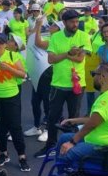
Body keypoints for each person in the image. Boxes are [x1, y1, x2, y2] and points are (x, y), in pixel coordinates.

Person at [46, 63, 108, 176]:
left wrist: (73, 142)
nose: (92, 78)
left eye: (93, 75)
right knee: (63, 139)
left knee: (67, 151)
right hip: (99, 140)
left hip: (107, 146)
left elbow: (93, 123)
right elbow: (96, 118)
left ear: (102, 77)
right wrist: (74, 120)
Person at [34, 10, 92, 158]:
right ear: (64, 23)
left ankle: (71, 146)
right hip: (58, 84)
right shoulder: (56, 37)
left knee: (73, 117)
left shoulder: (84, 36)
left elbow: (80, 59)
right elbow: (50, 59)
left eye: (76, 21)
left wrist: (67, 55)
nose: (75, 24)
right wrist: (68, 53)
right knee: (53, 117)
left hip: (76, 85)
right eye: (72, 21)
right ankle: (50, 146)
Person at [0, 33, 30, 172]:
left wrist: (9, 68)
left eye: (1, 42)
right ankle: (3, 153)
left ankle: (22, 157)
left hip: (10, 96)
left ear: (6, 44)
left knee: (15, 126)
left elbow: (23, 74)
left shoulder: (12, 56)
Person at [24, 18, 61, 138]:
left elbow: (37, 43)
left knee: (47, 104)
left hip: (48, 75)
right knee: (35, 102)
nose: (51, 26)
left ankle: (48, 129)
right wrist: (37, 26)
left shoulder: (55, 41)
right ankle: (36, 127)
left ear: (58, 30)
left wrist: (39, 25)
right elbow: (31, 36)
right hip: (38, 75)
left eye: (54, 25)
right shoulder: (48, 37)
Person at [85, 16, 108, 114]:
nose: (98, 24)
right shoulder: (97, 33)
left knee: (103, 90)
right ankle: (90, 112)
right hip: (91, 65)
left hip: (102, 65)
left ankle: (102, 112)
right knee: (90, 90)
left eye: (101, 23)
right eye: (98, 22)